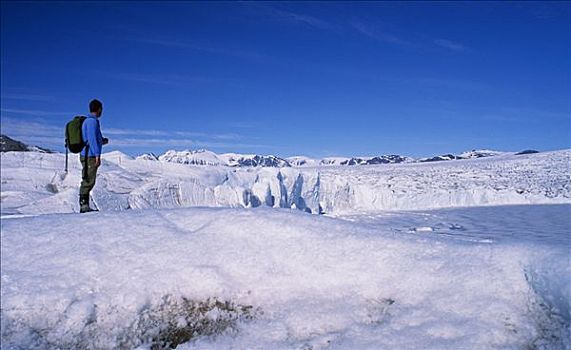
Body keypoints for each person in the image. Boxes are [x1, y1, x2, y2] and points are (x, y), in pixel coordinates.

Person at [79, 99, 108, 213]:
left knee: (89, 179)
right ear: (99, 109)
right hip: (89, 155)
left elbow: (93, 138)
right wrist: (97, 155)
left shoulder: (88, 121)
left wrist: (102, 140)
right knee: (88, 180)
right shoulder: (92, 122)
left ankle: (84, 205)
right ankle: (83, 206)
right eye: (101, 109)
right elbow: (91, 139)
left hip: (86, 154)